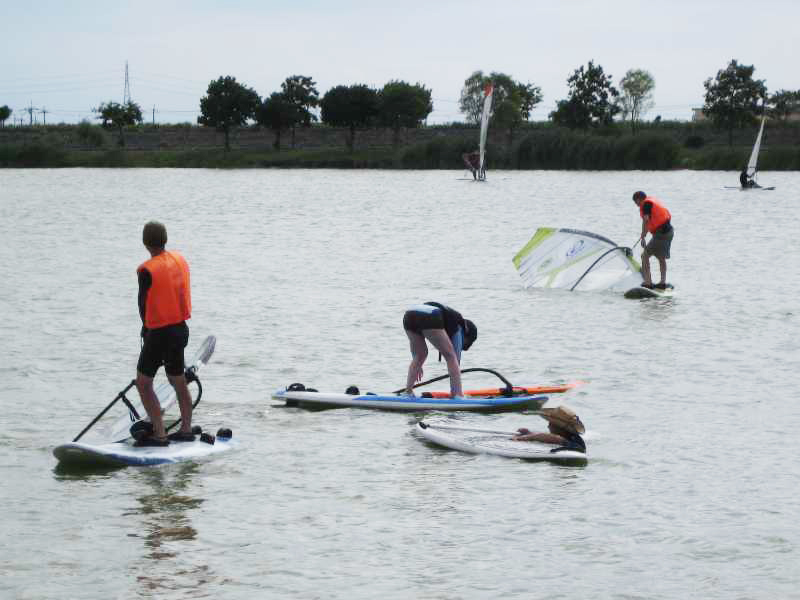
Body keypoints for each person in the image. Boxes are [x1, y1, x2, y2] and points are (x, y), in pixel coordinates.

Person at [134, 221, 194, 447]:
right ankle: (186, 429)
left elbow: (143, 304)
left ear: (145, 243)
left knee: (143, 383)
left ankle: (159, 435)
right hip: (180, 328)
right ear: (165, 239)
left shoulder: (147, 270)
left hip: (159, 333)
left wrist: (145, 329)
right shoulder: (178, 260)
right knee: (177, 379)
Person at [403, 302, 477, 398]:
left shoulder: (450, 318)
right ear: (466, 335)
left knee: (420, 355)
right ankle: (457, 394)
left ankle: (408, 392)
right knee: (451, 356)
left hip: (409, 314)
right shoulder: (460, 326)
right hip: (429, 315)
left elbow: (415, 351)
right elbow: (455, 359)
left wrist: (417, 364)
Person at [632, 190, 674, 289]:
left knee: (644, 256)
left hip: (661, 234)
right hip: (668, 232)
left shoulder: (646, 204)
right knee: (661, 257)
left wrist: (643, 236)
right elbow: (648, 221)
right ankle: (662, 282)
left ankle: (648, 282)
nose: (636, 205)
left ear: (639, 199)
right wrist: (643, 235)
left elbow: (646, 220)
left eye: (635, 202)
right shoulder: (650, 201)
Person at [512, 406, 586, 453]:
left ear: (560, 427)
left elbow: (550, 437)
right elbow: (547, 437)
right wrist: (529, 433)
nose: (548, 426)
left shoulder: (570, 441)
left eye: (550, 424)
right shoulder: (571, 436)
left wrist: (523, 438)